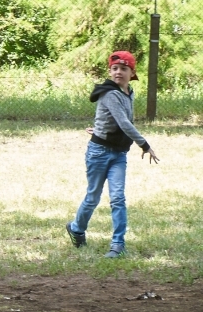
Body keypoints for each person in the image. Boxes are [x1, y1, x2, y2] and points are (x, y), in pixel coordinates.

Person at [66, 51, 159, 258]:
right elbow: (124, 123)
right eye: (114, 68)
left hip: (119, 154)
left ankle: (118, 244)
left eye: (124, 69)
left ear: (132, 73)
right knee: (93, 197)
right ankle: (76, 228)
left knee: (118, 198)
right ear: (110, 72)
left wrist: (100, 128)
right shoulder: (110, 93)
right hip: (98, 153)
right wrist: (144, 145)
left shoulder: (128, 92)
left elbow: (120, 119)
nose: (118, 72)